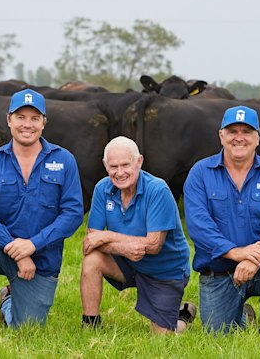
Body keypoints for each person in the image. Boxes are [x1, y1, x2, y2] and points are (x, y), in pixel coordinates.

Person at [0, 88, 84, 328]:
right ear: (9, 120)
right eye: (21, 117)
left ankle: (7, 299)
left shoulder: (63, 160)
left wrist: (33, 245)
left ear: (44, 123)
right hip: (3, 250)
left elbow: (73, 213)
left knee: (26, 328)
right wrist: (15, 249)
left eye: (35, 118)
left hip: (43, 261)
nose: (28, 124)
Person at [184, 105, 260, 333]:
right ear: (221, 136)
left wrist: (253, 258)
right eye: (232, 131)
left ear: (257, 138)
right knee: (219, 336)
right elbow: (199, 226)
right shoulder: (200, 173)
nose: (239, 138)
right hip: (218, 271)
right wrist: (236, 253)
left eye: (246, 132)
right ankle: (244, 317)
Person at [80, 136, 195, 334]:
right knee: (92, 259)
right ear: (105, 166)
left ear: (139, 162)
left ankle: (183, 314)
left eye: (125, 165)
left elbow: (153, 245)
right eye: (113, 166)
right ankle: (90, 324)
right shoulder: (102, 188)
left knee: (162, 336)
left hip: (164, 270)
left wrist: (108, 237)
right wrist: (122, 247)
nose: (120, 172)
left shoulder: (157, 190)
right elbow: (91, 239)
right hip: (128, 261)